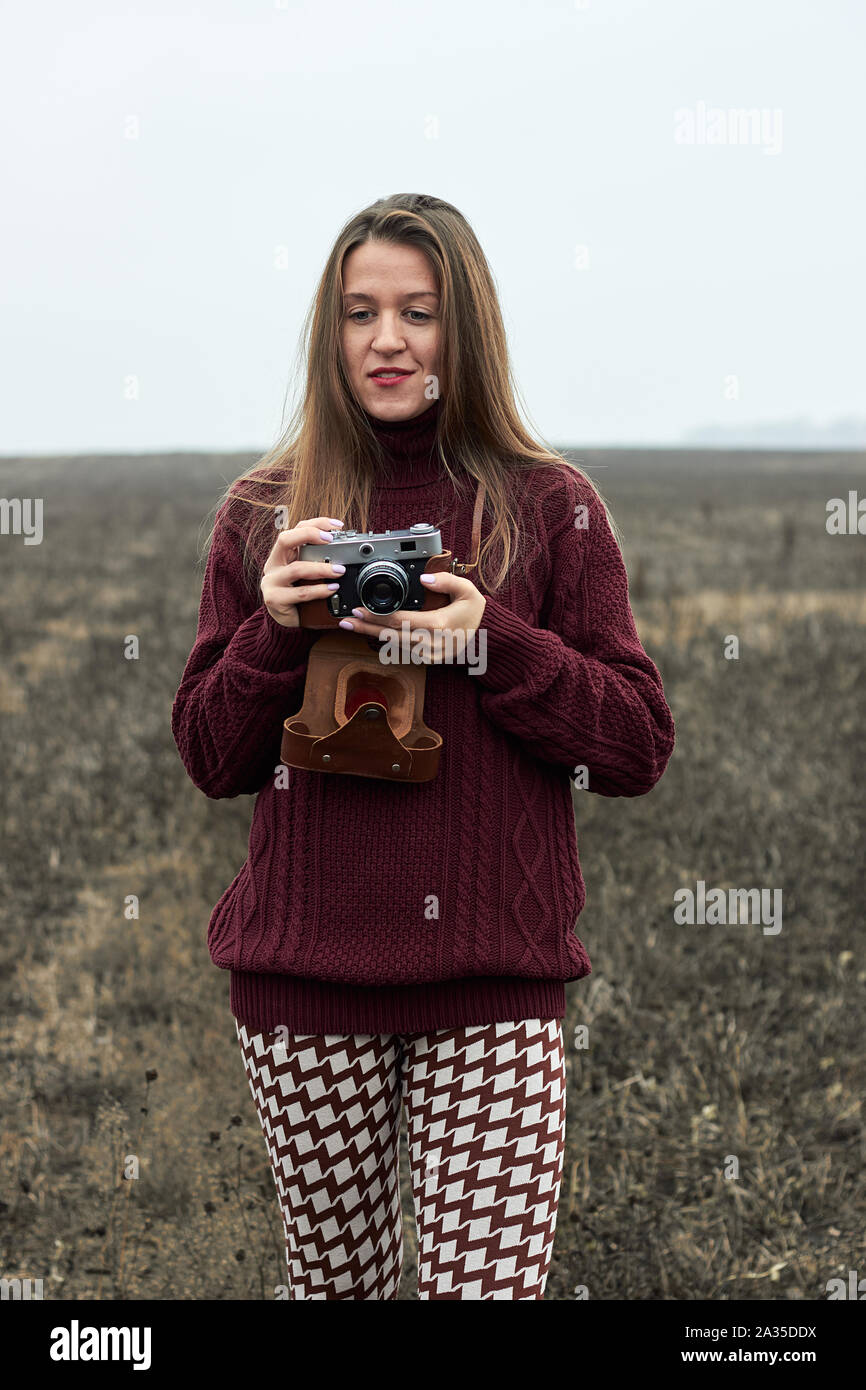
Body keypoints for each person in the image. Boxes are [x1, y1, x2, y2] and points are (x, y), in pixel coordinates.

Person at [171, 193, 675, 1300]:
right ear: (328, 332)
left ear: (467, 331)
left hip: (494, 986)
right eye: (358, 312)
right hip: (303, 991)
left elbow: (634, 744)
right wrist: (272, 626)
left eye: (418, 311)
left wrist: (486, 640)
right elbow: (211, 757)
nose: (387, 340)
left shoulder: (552, 508)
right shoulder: (265, 512)